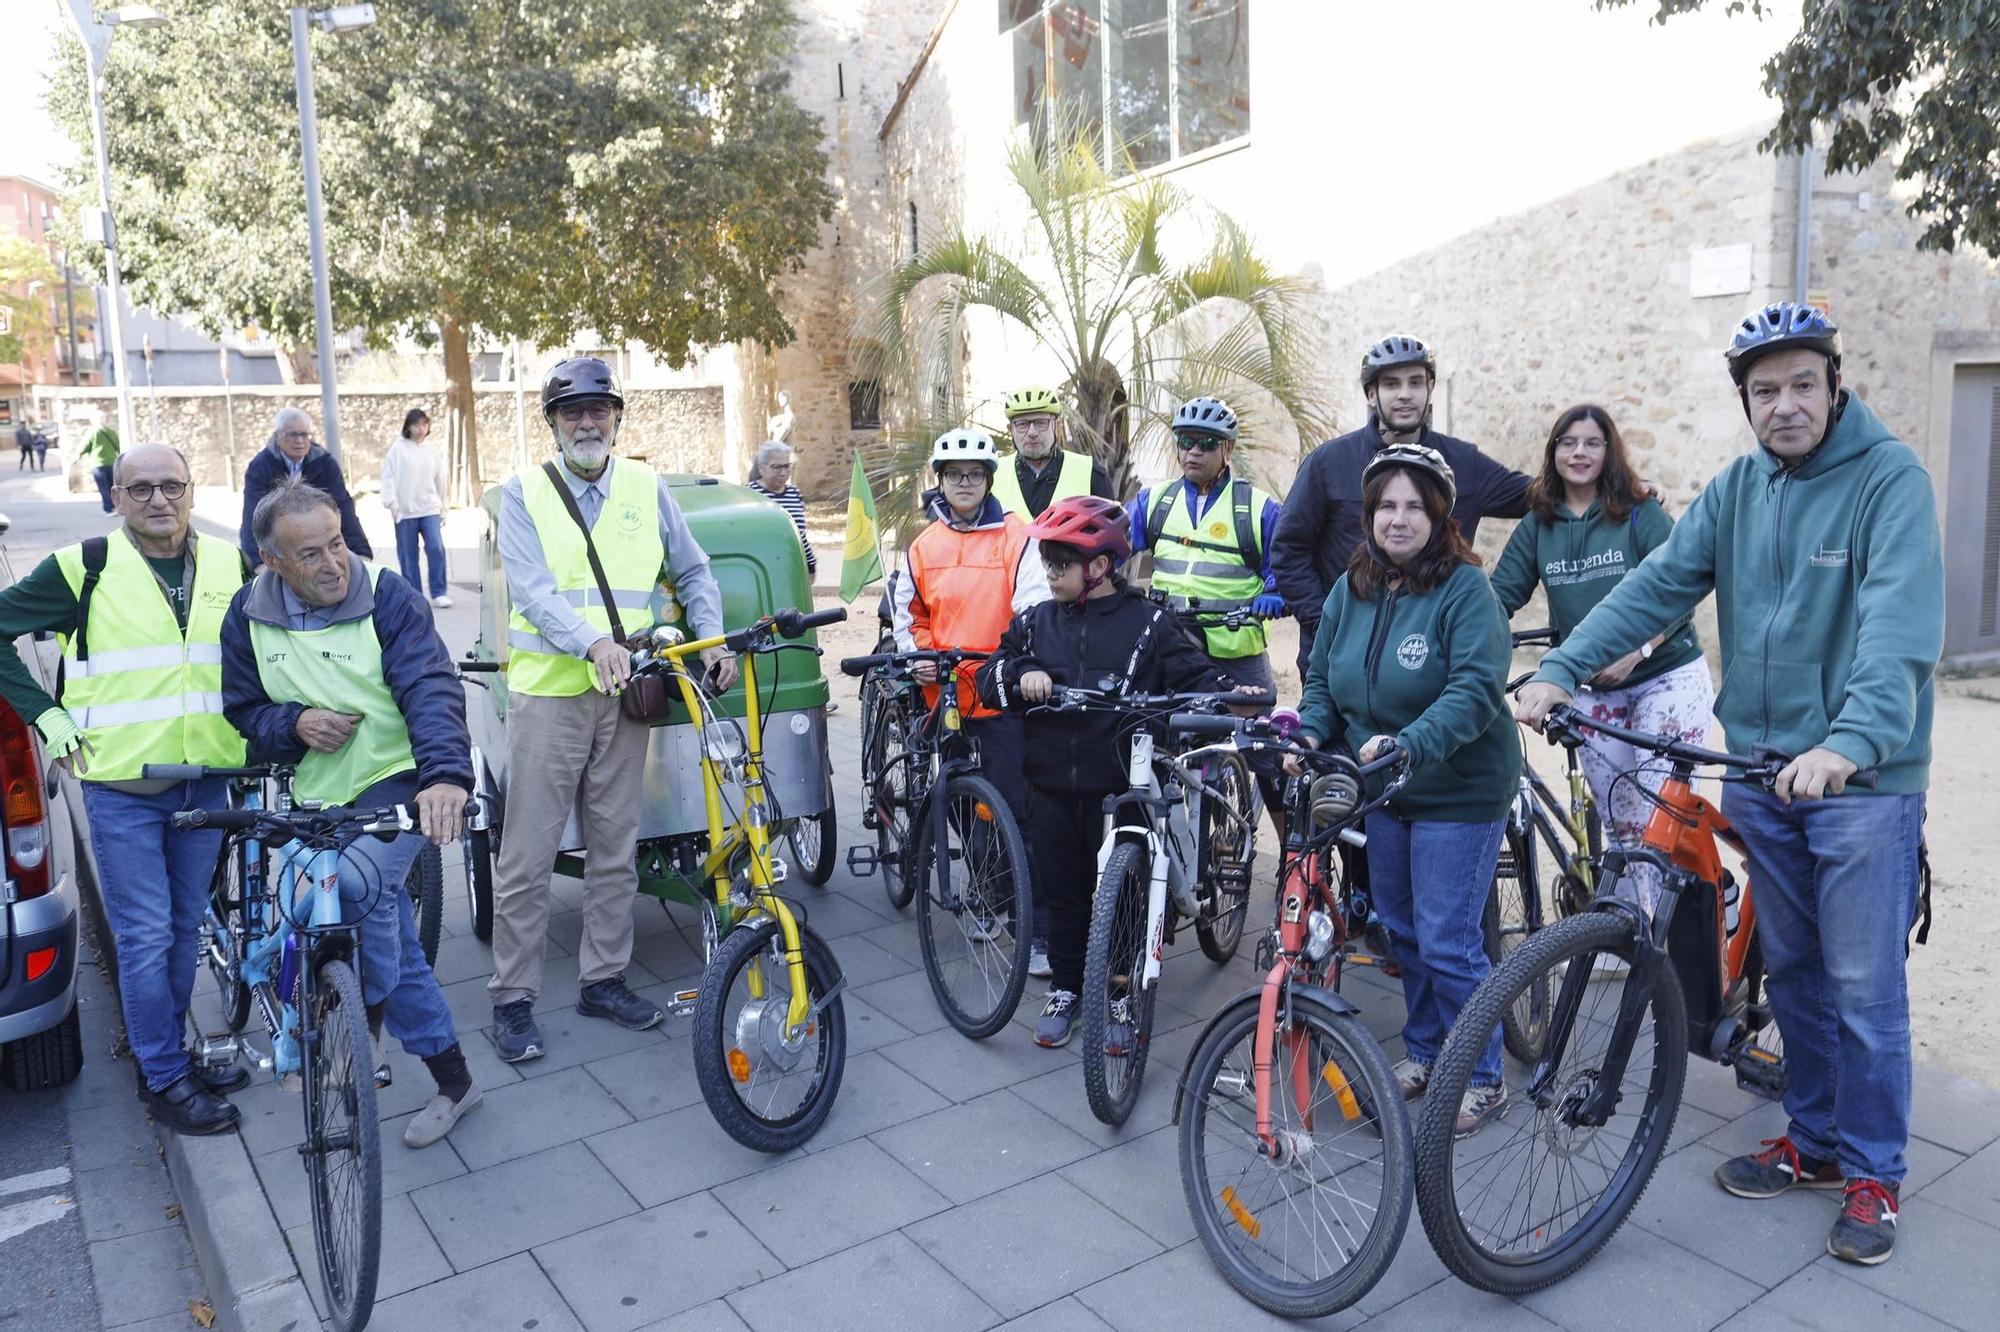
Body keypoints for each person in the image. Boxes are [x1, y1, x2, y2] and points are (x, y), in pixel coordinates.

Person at [1517, 303, 1943, 1266]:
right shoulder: (1740, 490)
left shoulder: (1890, 481)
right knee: (1791, 971)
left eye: (1801, 385)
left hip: (1860, 782)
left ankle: (1874, 1173)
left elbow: (1899, 629)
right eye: (1764, 392)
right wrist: (1565, 667)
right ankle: (1818, 1139)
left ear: (1836, 385)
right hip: (1761, 770)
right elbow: (1658, 584)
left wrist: (1850, 742)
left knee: (1865, 988)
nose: (1784, 406)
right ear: (1745, 403)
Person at [487, 356, 735, 1062]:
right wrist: (592, 642)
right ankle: (512, 997)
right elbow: (532, 592)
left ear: (618, 418)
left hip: (629, 694)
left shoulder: (646, 487)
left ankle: (603, 978)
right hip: (551, 695)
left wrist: (709, 639)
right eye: (573, 413)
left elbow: (691, 570)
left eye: (599, 410)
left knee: (615, 847)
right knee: (528, 854)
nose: (587, 422)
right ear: (554, 424)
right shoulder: (523, 493)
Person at [220, 480, 480, 1147]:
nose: (334, 562)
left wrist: (447, 776)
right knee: (382, 922)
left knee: (359, 889)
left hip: (400, 784)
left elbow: (429, 685)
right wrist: (295, 723)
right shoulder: (245, 615)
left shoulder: (390, 595)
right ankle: (454, 1080)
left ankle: (359, 1024)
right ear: (272, 561)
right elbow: (244, 713)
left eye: (337, 542)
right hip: (316, 800)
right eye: (311, 554)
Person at [0, 443, 250, 1133]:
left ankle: (168, 1053)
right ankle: (164, 1078)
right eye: (139, 488)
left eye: (171, 485)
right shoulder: (84, 567)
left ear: (193, 491)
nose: (157, 500)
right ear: (115, 496)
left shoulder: (233, 562)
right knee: (145, 937)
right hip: (123, 789)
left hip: (208, 784)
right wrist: (46, 716)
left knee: (181, 933)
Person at [1295, 443, 1520, 1138]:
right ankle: (1425, 1049)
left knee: (1450, 938)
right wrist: (1308, 734)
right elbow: (1325, 679)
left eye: (1414, 507)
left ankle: (1483, 1076)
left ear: (1440, 514)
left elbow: (1476, 689)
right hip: (1383, 787)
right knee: (1404, 930)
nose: (1398, 520)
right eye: (1386, 506)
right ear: (1369, 514)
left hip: (1457, 785)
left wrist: (1411, 743)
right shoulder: (1352, 586)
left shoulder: (1463, 589)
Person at [976, 496, 1231, 1047]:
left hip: (1124, 781)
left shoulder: (1151, 623)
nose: (1049, 573)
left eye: (1061, 563)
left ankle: (1119, 989)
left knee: (1129, 894)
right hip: (1050, 781)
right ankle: (1068, 986)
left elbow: (1200, 677)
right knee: (1063, 890)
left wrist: (1218, 703)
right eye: (1047, 561)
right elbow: (988, 678)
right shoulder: (1035, 622)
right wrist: (1021, 674)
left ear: (1100, 567)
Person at [1489, 404, 1713, 916]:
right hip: (1592, 689)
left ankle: (1687, 928)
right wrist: (1465, 638)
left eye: (1592, 442)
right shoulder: (1538, 525)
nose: (1580, 453)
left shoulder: (1640, 511)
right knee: (1621, 819)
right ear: (1553, 453)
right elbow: (1500, 596)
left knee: (1667, 815)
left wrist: (1640, 650)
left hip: (1665, 674)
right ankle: (1631, 931)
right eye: (1568, 443)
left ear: (1609, 450)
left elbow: (1681, 588)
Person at [1271, 335, 1532, 678]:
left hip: (1429, 662)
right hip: (1340, 663)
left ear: (1431, 388)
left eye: (1415, 382)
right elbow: (1288, 550)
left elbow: (1542, 498)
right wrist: (1327, 623)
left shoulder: (1464, 462)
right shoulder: (1327, 463)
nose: (1405, 394)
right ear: (1371, 394)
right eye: (1391, 384)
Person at [892, 428, 1051, 968]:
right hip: (945, 696)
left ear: (988, 481)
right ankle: (987, 894)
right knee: (959, 802)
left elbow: (1033, 608)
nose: (965, 483)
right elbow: (908, 614)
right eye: (955, 474)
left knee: (1015, 808)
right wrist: (916, 653)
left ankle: (1032, 928)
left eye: (975, 475)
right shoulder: (923, 545)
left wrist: (1012, 658)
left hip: (1000, 693)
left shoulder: (1017, 536)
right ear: (940, 480)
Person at [1128, 396, 1285, 825]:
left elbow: (1287, 563)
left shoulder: (1257, 508)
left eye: (1206, 443)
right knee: (1146, 736)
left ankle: (1290, 853)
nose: (1193, 451)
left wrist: (1274, 591)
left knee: (1265, 751)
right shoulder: (1154, 502)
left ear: (1227, 451)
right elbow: (1112, 546)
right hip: (1174, 645)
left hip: (1235, 649)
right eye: (1185, 442)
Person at [239, 407, 372, 568]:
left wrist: (360, 552)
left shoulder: (324, 463)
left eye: (304, 435)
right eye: (293, 435)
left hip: (318, 540)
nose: (300, 441)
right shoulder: (260, 467)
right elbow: (253, 516)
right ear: (277, 436)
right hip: (282, 543)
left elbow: (342, 507)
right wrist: (257, 563)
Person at [990, 385, 1114, 520]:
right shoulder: (992, 475)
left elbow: (1112, 534)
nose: (1032, 432)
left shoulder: (1091, 472)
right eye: (1022, 424)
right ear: (1011, 430)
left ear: (1056, 426)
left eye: (1041, 423)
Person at [382, 407, 452, 608]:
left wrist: (443, 506)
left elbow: (440, 479)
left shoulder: (432, 450)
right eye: (416, 425)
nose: (421, 429)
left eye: (424, 424)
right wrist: (391, 503)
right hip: (405, 511)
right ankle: (414, 594)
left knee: (435, 548)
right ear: (408, 426)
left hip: (429, 508)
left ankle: (439, 592)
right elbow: (388, 477)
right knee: (408, 554)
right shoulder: (398, 449)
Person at [746, 440, 817, 580]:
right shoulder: (750, 494)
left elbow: (800, 535)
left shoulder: (794, 493)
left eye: (787, 466)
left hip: (793, 565)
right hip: (764, 569)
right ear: (762, 468)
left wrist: (810, 564)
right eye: (777, 467)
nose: (783, 472)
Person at [85, 419, 120, 512]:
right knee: (112, 486)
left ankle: (108, 509)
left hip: (98, 463)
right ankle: (115, 506)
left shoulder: (92, 433)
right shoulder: (111, 432)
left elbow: (84, 447)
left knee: (103, 487)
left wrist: (76, 457)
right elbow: (117, 446)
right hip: (112, 462)